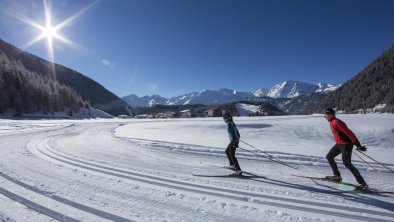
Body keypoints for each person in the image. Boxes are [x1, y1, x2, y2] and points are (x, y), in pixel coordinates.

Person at [323, 108, 369, 191]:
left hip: (346, 145)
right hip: (339, 144)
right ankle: (337, 176)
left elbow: (349, 133)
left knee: (347, 163)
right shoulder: (332, 121)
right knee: (329, 156)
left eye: (325, 115)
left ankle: (363, 184)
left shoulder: (336, 122)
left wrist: (358, 145)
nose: (324, 116)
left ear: (330, 115)